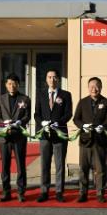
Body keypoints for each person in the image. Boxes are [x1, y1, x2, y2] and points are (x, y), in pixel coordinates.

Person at [72, 77, 107, 203]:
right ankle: (83, 193)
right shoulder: (82, 102)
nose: (94, 89)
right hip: (85, 140)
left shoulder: (106, 102)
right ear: (88, 87)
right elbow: (76, 118)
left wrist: (104, 126)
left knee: (100, 169)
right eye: (91, 86)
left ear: (100, 87)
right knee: (83, 168)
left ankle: (100, 193)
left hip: (100, 140)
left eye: (96, 86)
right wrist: (82, 126)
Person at [34, 69, 72, 203]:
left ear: (58, 79)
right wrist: (42, 122)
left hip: (59, 133)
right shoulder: (40, 94)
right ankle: (44, 191)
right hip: (44, 134)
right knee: (45, 164)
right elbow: (36, 114)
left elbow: (68, 113)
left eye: (54, 77)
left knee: (59, 164)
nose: (52, 79)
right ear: (46, 79)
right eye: (49, 77)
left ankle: (59, 191)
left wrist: (58, 122)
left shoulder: (66, 95)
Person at [0, 73, 31, 203]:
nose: (12, 86)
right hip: (5, 137)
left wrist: (21, 121)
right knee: (5, 165)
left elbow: (27, 116)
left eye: (14, 84)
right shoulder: (0, 99)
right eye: (9, 84)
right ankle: (6, 192)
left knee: (21, 165)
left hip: (19, 136)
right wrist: (3, 122)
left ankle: (21, 192)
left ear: (18, 85)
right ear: (6, 85)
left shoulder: (25, 99)